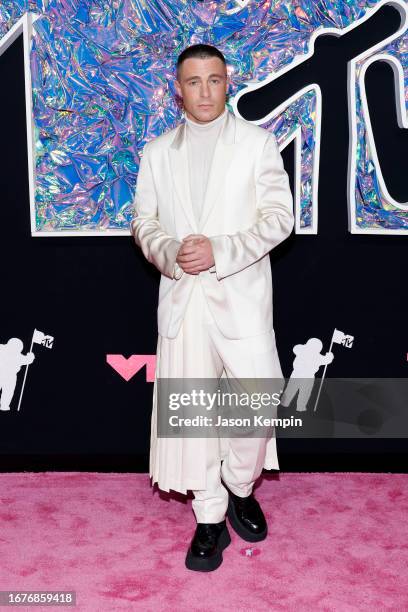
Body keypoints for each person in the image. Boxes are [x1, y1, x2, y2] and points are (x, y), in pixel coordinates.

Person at [131, 43, 294, 572]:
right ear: (177, 88)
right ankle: (208, 519)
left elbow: (278, 218)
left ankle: (239, 483)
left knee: (260, 396)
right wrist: (170, 254)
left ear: (229, 82)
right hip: (184, 299)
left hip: (241, 295)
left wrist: (220, 250)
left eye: (214, 80)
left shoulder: (257, 144)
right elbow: (144, 223)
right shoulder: (157, 152)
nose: (204, 91)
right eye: (193, 82)